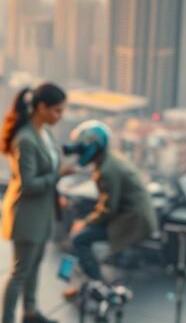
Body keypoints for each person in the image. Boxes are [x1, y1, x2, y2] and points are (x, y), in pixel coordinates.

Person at [0, 83, 77, 323]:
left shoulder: (43, 133)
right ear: (41, 108)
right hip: (27, 215)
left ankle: (29, 311)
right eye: (57, 110)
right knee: (20, 271)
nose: (60, 116)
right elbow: (29, 183)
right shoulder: (26, 139)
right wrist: (60, 176)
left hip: (42, 214)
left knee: (34, 266)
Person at [62, 121, 157, 299]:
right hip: (133, 216)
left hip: (132, 221)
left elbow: (108, 209)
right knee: (83, 235)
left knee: (79, 240)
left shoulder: (106, 169)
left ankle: (97, 285)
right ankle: (86, 282)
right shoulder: (110, 159)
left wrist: (85, 222)